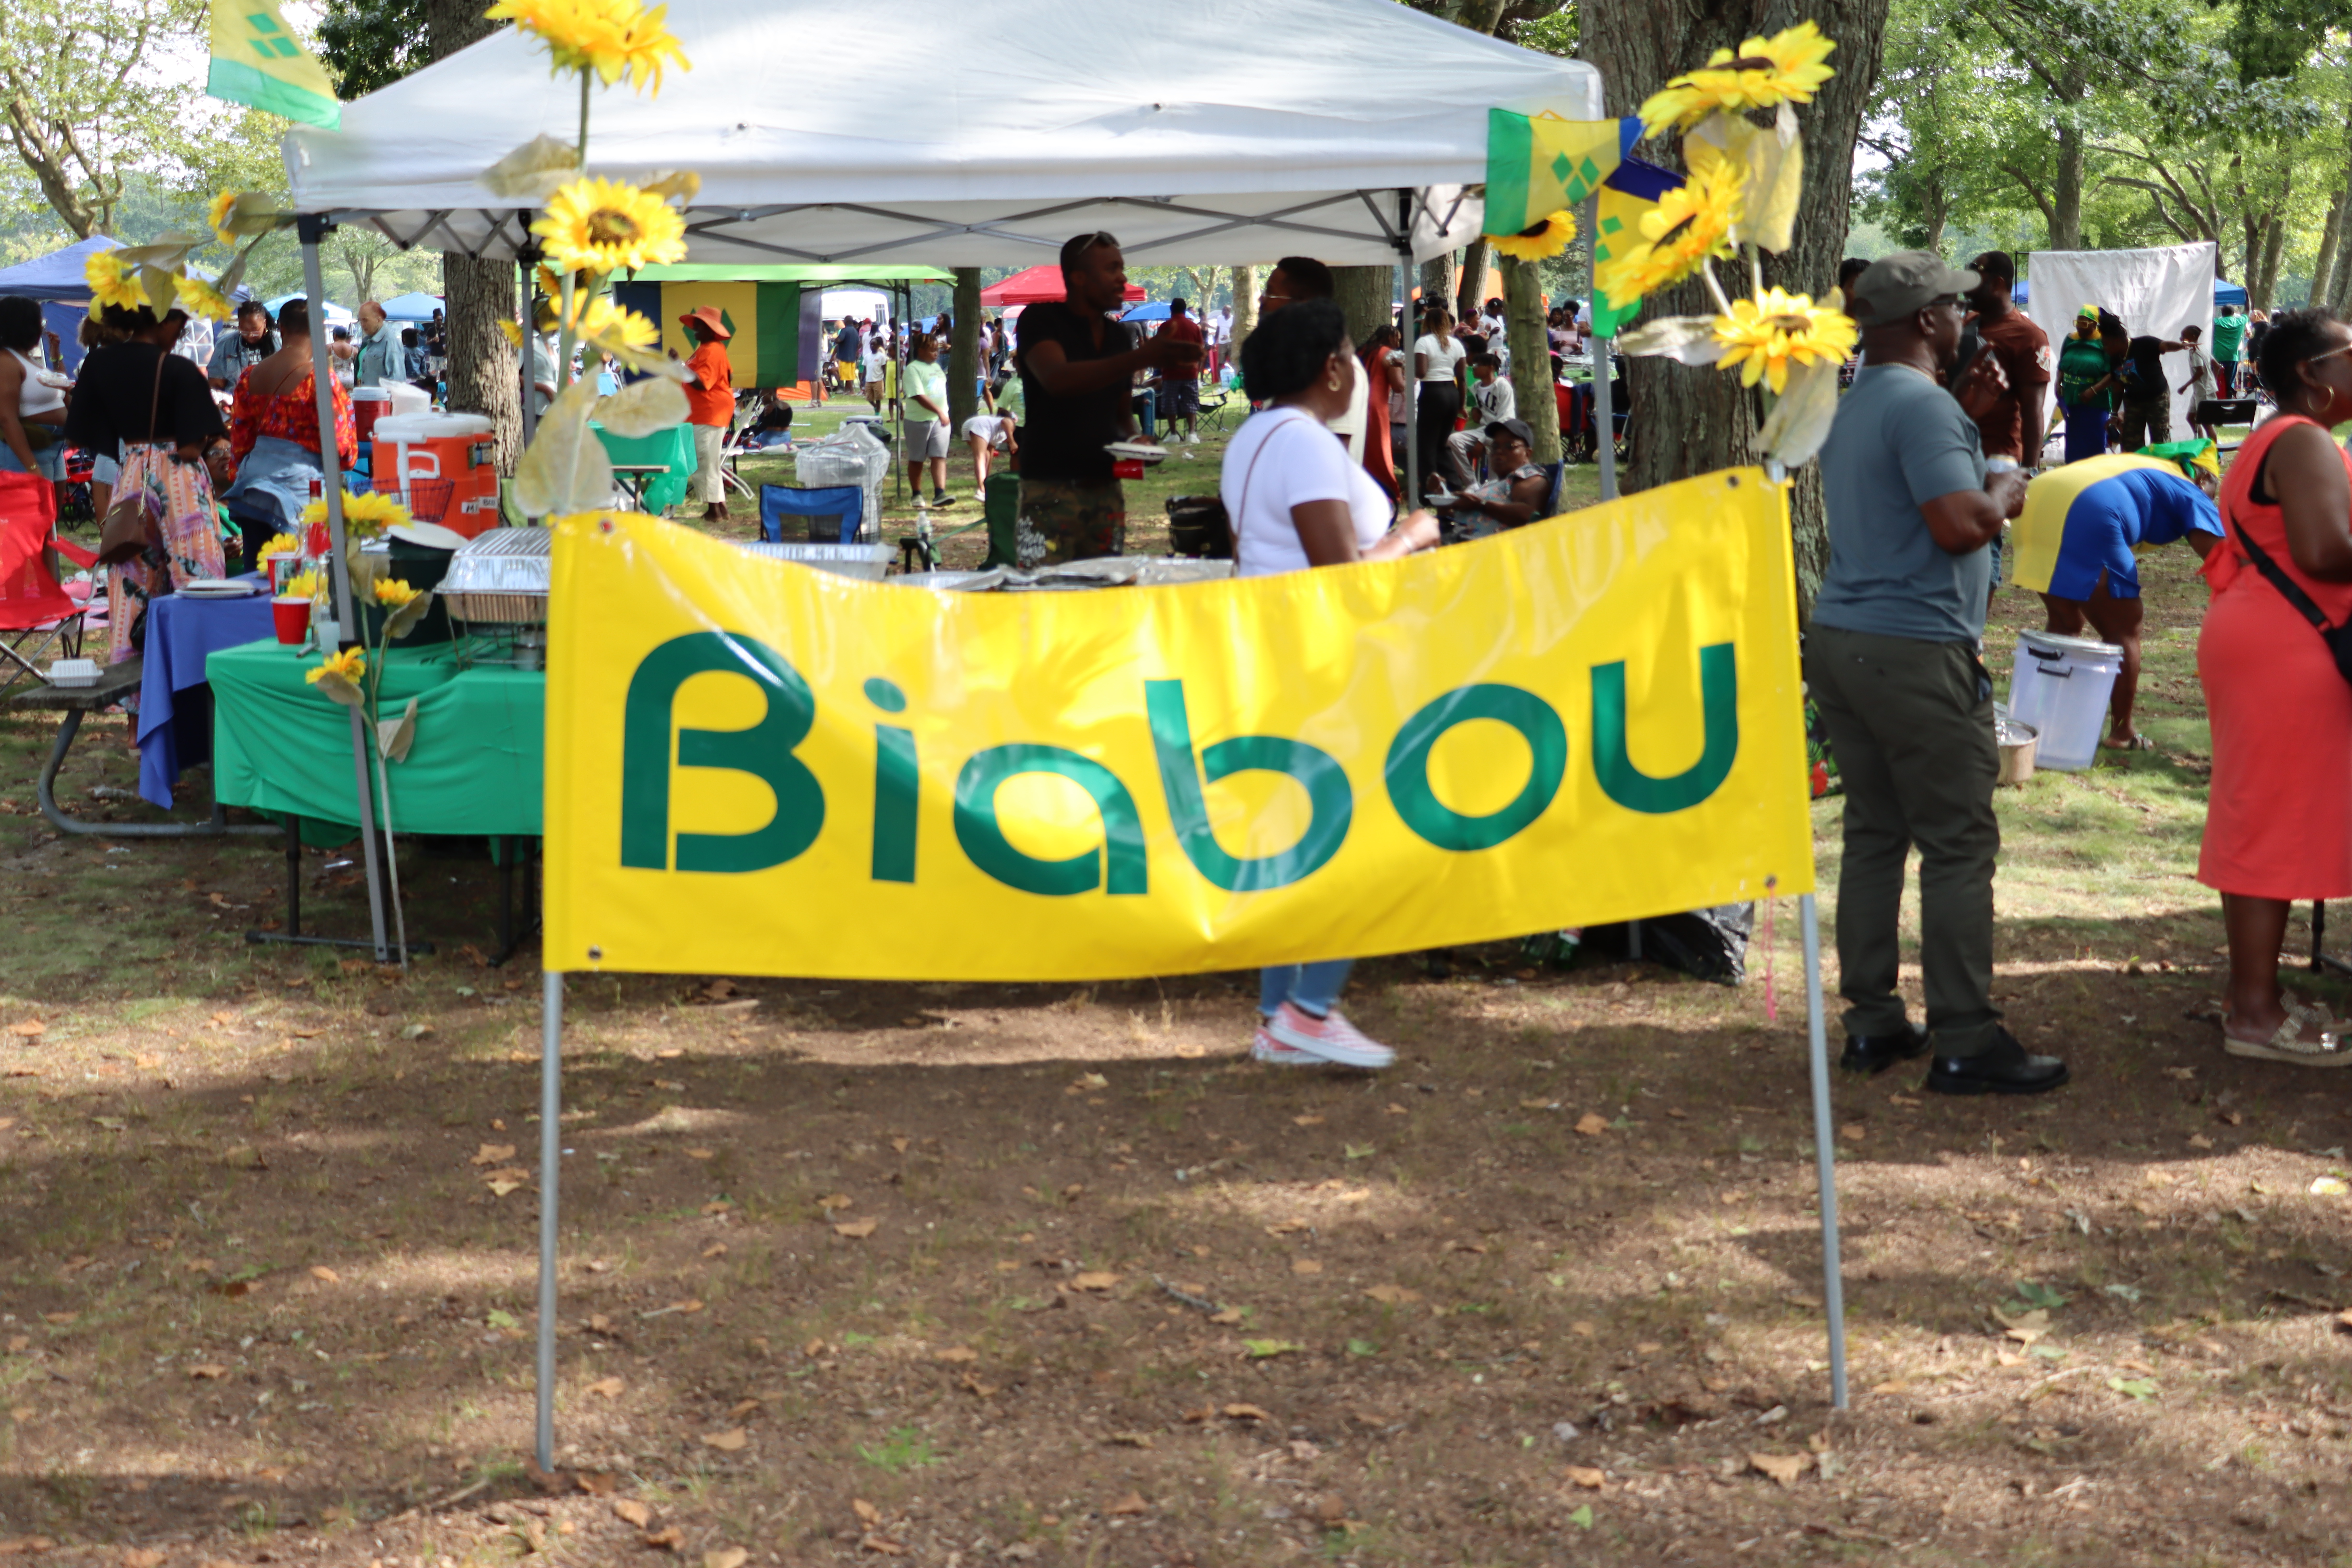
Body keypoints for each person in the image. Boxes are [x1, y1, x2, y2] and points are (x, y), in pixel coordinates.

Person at [1807, 251, 2065, 1095]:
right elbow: (1959, 525)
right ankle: (1965, 1036)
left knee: (1876, 832)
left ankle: (1873, 1021)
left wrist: (1969, 428)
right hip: (1915, 648)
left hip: (1846, 640)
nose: (1968, 320)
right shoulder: (1921, 406)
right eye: (1956, 307)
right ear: (1925, 321)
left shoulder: (1859, 400)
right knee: (1958, 842)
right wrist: (2004, 481)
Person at [1221, 298, 1438, 1070]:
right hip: (1321, 669)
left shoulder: (1251, 437)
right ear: (1333, 367)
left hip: (1276, 664)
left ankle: (1281, 1013)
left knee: (1293, 847)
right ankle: (1308, 1006)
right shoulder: (1305, 445)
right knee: (1354, 838)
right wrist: (1412, 534)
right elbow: (1340, 577)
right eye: (1352, 355)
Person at [2186, 309, 2352, 1063]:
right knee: (2267, 817)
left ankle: (2254, 996)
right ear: (2313, 373)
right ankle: (2253, 1012)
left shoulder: (2277, 435)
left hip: (2267, 635)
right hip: (2291, 646)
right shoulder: (2304, 439)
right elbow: (2323, 552)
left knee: (2264, 809)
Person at [2009, 454, 2223, 749]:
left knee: (2066, 621)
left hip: (2034, 500)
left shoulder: (2140, 464)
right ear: (2203, 479)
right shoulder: (2189, 488)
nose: (2212, 499)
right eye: (2214, 489)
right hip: (2089, 510)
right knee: (2123, 626)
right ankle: (2123, 733)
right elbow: (2221, 563)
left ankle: (2044, 720)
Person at [1013, 231, 1200, 565]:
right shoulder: (1041, 320)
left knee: (1104, 590)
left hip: (1105, 491)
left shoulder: (1117, 335)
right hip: (1049, 489)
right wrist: (1144, 357)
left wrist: (1137, 442)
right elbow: (1057, 379)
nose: (1122, 278)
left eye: (1122, 268)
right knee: (1045, 594)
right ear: (1079, 277)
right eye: (1112, 269)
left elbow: (1120, 415)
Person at [63, 302, 232, 661]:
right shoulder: (178, 369)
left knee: (131, 584)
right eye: (181, 325)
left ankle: (135, 709)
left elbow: (83, 430)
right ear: (164, 321)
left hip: (131, 476)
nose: (181, 334)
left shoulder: (98, 364)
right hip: (179, 482)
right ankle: (199, 679)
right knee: (198, 579)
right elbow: (190, 448)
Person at [221, 296, 358, 569]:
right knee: (304, 584)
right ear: (321, 329)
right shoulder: (320, 378)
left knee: (259, 580)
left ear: (280, 328)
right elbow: (343, 450)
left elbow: (240, 442)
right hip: (302, 498)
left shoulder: (249, 377)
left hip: (254, 493)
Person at [1962, 252, 2050, 467]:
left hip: (1997, 461)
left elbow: (2033, 411)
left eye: (1976, 272)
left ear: (1997, 283)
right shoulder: (1964, 323)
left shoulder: (2029, 336)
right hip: (1956, 453)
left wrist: (2030, 471)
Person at [0, 296, 67, 481]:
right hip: (30, 450)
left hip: (53, 446)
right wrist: (32, 466)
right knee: (36, 508)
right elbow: (7, 419)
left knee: (53, 510)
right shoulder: (6, 361)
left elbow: (62, 387)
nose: (43, 328)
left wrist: (56, 357)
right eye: (41, 323)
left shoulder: (29, 360)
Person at [1446, 417, 1549, 537]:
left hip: (1489, 549)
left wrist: (1481, 504)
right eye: (1495, 447)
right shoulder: (1497, 483)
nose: (1499, 451)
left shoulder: (1529, 476)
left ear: (1527, 454)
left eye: (1510, 446)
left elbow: (1529, 516)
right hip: (1457, 538)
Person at [679, 305, 734, 524]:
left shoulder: (712, 350)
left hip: (709, 412)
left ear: (711, 330)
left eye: (699, 326)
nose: (694, 330)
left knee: (704, 461)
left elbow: (703, 384)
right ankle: (720, 508)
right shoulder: (708, 349)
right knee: (709, 461)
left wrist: (679, 365)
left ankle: (715, 512)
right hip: (707, 412)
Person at [2098, 322, 2188, 451]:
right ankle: (2136, 468)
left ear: (2116, 341)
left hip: (2157, 398)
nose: (2104, 348)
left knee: (2160, 440)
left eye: (2105, 344)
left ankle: (2161, 468)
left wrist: (2181, 346)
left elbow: (2165, 346)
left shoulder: (2144, 344)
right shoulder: (2114, 359)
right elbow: (2118, 387)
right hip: (2133, 401)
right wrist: (2114, 414)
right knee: (2131, 442)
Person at [1411, 307, 1465, 501]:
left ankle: (1429, 492)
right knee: (1442, 444)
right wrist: (1461, 404)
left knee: (1427, 445)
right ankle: (1455, 485)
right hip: (1452, 393)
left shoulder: (1424, 342)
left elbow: (1422, 372)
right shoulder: (1457, 344)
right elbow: (1462, 377)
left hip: (1432, 393)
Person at [1442, 352, 1515, 491]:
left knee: (1492, 445)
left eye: (1477, 365)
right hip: (1483, 429)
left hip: (1502, 430)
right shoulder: (1475, 387)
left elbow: (1506, 417)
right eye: (1473, 365)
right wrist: (1475, 411)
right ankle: (1472, 484)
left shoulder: (1502, 386)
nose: (1473, 368)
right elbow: (1474, 412)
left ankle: (1495, 488)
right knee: (1454, 440)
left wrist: (1483, 440)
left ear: (1490, 368)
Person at [2054, 307, 2113, 464]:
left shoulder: (2104, 341)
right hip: (2072, 396)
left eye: (2085, 324)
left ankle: (2095, 474)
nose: (2080, 327)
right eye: (2078, 323)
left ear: (2096, 324)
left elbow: (2113, 373)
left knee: (2094, 438)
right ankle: (2073, 472)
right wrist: (2058, 382)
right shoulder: (2071, 339)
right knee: (2074, 438)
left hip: (2095, 400)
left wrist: (2093, 390)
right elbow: (2062, 365)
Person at [902, 331, 953, 507]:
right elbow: (918, 395)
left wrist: (942, 413)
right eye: (932, 350)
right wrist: (939, 411)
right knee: (917, 459)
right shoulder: (913, 369)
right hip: (918, 421)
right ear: (921, 350)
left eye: (937, 350)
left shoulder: (937, 367)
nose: (936, 353)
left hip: (941, 421)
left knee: (939, 456)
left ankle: (940, 493)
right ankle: (917, 494)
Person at [1358, 322, 1407, 498]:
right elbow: (1399, 386)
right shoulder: (1391, 356)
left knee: (1362, 449)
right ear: (1392, 338)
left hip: (1358, 404)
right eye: (1398, 340)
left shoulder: (1363, 350)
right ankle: (1387, 488)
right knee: (1380, 449)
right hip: (1377, 405)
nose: (1399, 344)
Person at [1157, 297, 1206, 444]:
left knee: (1170, 403)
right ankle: (1192, 433)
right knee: (1191, 402)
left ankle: (1174, 434)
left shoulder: (1166, 326)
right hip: (1190, 371)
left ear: (1171, 310)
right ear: (1185, 310)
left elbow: (1160, 349)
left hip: (1171, 372)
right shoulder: (1194, 327)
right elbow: (1201, 349)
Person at [207, 300, 275, 391]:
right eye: (244, 330)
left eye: (255, 330)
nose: (250, 335)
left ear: (265, 323)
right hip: (235, 401)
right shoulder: (225, 345)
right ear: (239, 325)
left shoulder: (281, 342)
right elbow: (216, 383)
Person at [352, 301, 409, 389]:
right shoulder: (367, 342)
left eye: (365, 320)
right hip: (367, 398)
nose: (362, 325)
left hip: (382, 401)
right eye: (361, 321)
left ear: (379, 320)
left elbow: (397, 381)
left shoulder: (390, 342)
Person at [2180, 323, 2218, 445]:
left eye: (2184, 336)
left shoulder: (2195, 352)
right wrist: (2213, 381)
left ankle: (2215, 453)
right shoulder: (2203, 348)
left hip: (2204, 392)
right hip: (2201, 391)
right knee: (2191, 418)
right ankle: (2201, 443)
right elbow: (2217, 366)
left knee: (2207, 424)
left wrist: (2185, 386)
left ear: (2193, 336)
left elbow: (2200, 371)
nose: (2181, 339)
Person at [964, 405, 1018, 486]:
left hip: (969, 427)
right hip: (980, 426)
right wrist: (1012, 442)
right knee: (980, 457)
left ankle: (986, 483)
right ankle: (982, 488)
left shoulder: (997, 432)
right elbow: (1006, 422)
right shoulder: (1009, 422)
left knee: (987, 456)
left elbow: (991, 453)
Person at [2210, 302, 2246, 397]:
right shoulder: (2241, 322)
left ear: (2222, 313)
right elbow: (2247, 311)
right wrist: (2247, 299)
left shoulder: (2216, 322)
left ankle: (2215, 400)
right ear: (2234, 313)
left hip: (2217, 355)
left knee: (2215, 381)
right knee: (2229, 382)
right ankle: (2228, 401)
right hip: (2232, 356)